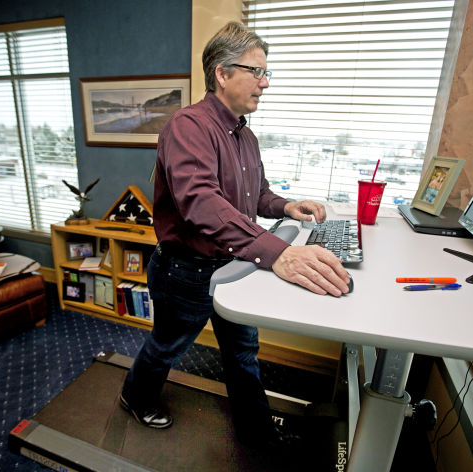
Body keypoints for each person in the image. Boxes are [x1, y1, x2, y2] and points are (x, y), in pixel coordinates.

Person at [120, 21, 351, 447]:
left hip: (232, 264)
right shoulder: (188, 127)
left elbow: (254, 194)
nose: (265, 84)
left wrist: (284, 206)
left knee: (243, 351)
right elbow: (202, 204)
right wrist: (277, 253)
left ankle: (255, 427)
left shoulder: (247, 136)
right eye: (256, 72)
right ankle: (134, 396)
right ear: (222, 74)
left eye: (268, 74)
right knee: (168, 346)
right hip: (186, 271)